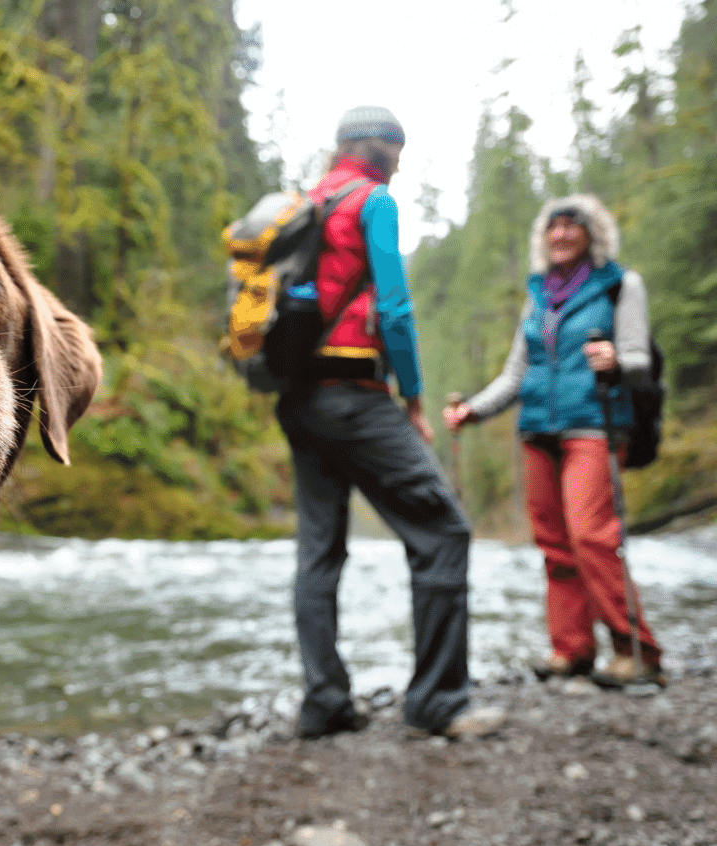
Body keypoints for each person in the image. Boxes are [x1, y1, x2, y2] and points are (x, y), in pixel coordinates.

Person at [277, 106, 505, 739]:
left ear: (341, 146)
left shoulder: (303, 202)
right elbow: (397, 310)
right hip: (356, 392)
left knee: (318, 551)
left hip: (299, 400)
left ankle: (324, 703)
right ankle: (438, 702)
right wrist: (412, 396)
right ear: (388, 155)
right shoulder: (373, 202)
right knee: (443, 531)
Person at [442, 194, 666, 688]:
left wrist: (615, 359)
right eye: (553, 227)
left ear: (592, 234)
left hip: (595, 425)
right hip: (538, 430)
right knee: (554, 544)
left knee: (591, 536)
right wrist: (473, 410)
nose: (560, 234)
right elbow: (517, 371)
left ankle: (638, 652)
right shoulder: (539, 294)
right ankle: (572, 649)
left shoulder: (621, 285)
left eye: (571, 226)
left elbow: (638, 359)